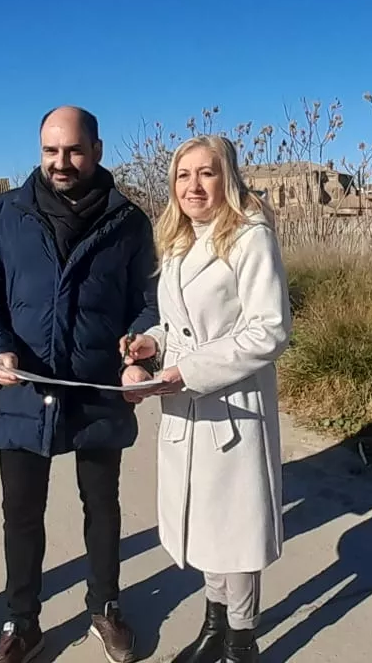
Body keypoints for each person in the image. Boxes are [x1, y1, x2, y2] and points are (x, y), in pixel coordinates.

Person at [0, 105, 158, 663]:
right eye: (51, 151)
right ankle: (22, 622)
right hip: (24, 390)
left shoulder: (129, 222)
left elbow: (147, 303)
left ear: (97, 150)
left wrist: (139, 354)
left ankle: (106, 607)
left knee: (102, 506)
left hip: (98, 390)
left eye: (74, 150)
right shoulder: (6, 214)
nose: (62, 162)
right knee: (21, 514)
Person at [121, 134, 291, 663]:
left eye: (206, 173)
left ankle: (242, 642)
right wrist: (153, 343)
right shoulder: (178, 241)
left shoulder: (249, 237)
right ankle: (215, 627)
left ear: (228, 178)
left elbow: (269, 331)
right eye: (183, 175)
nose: (194, 185)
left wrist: (185, 371)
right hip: (185, 407)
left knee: (234, 534)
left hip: (231, 409)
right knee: (204, 529)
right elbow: (183, 326)